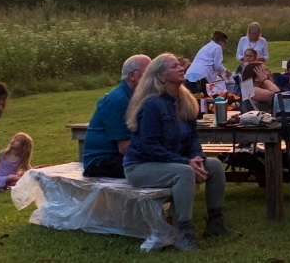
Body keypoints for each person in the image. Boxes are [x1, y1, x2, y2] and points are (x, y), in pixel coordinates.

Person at [124, 53, 236, 251]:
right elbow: (149, 147)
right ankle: (184, 233)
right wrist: (185, 162)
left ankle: (215, 224)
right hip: (141, 166)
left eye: (180, 65)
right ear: (160, 77)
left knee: (215, 165)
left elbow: (193, 137)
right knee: (184, 172)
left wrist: (197, 157)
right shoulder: (152, 105)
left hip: (174, 162)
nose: (181, 68)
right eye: (174, 66)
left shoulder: (185, 100)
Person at [82, 54, 150, 178]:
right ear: (132, 76)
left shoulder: (135, 97)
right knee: (160, 168)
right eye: (148, 73)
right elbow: (124, 148)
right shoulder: (118, 100)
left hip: (117, 157)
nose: (153, 78)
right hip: (100, 163)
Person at [186, 31, 229, 95]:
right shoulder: (217, 47)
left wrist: (219, 73)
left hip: (189, 75)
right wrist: (226, 71)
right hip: (201, 77)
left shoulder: (206, 47)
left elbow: (208, 63)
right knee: (203, 100)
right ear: (220, 41)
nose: (224, 45)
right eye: (225, 43)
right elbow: (217, 66)